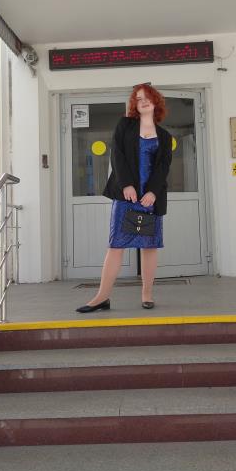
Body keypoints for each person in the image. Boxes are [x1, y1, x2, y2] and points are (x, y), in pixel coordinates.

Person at [76, 83, 172, 313]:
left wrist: (152, 192)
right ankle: (102, 297)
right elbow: (117, 156)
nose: (143, 101)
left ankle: (147, 295)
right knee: (116, 245)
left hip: (150, 199)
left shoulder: (165, 136)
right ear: (134, 105)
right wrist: (127, 184)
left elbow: (163, 167)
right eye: (138, 99)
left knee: (149, 246)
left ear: (155, 101)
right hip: (126, 196)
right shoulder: (124, 125)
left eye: (147, 97)